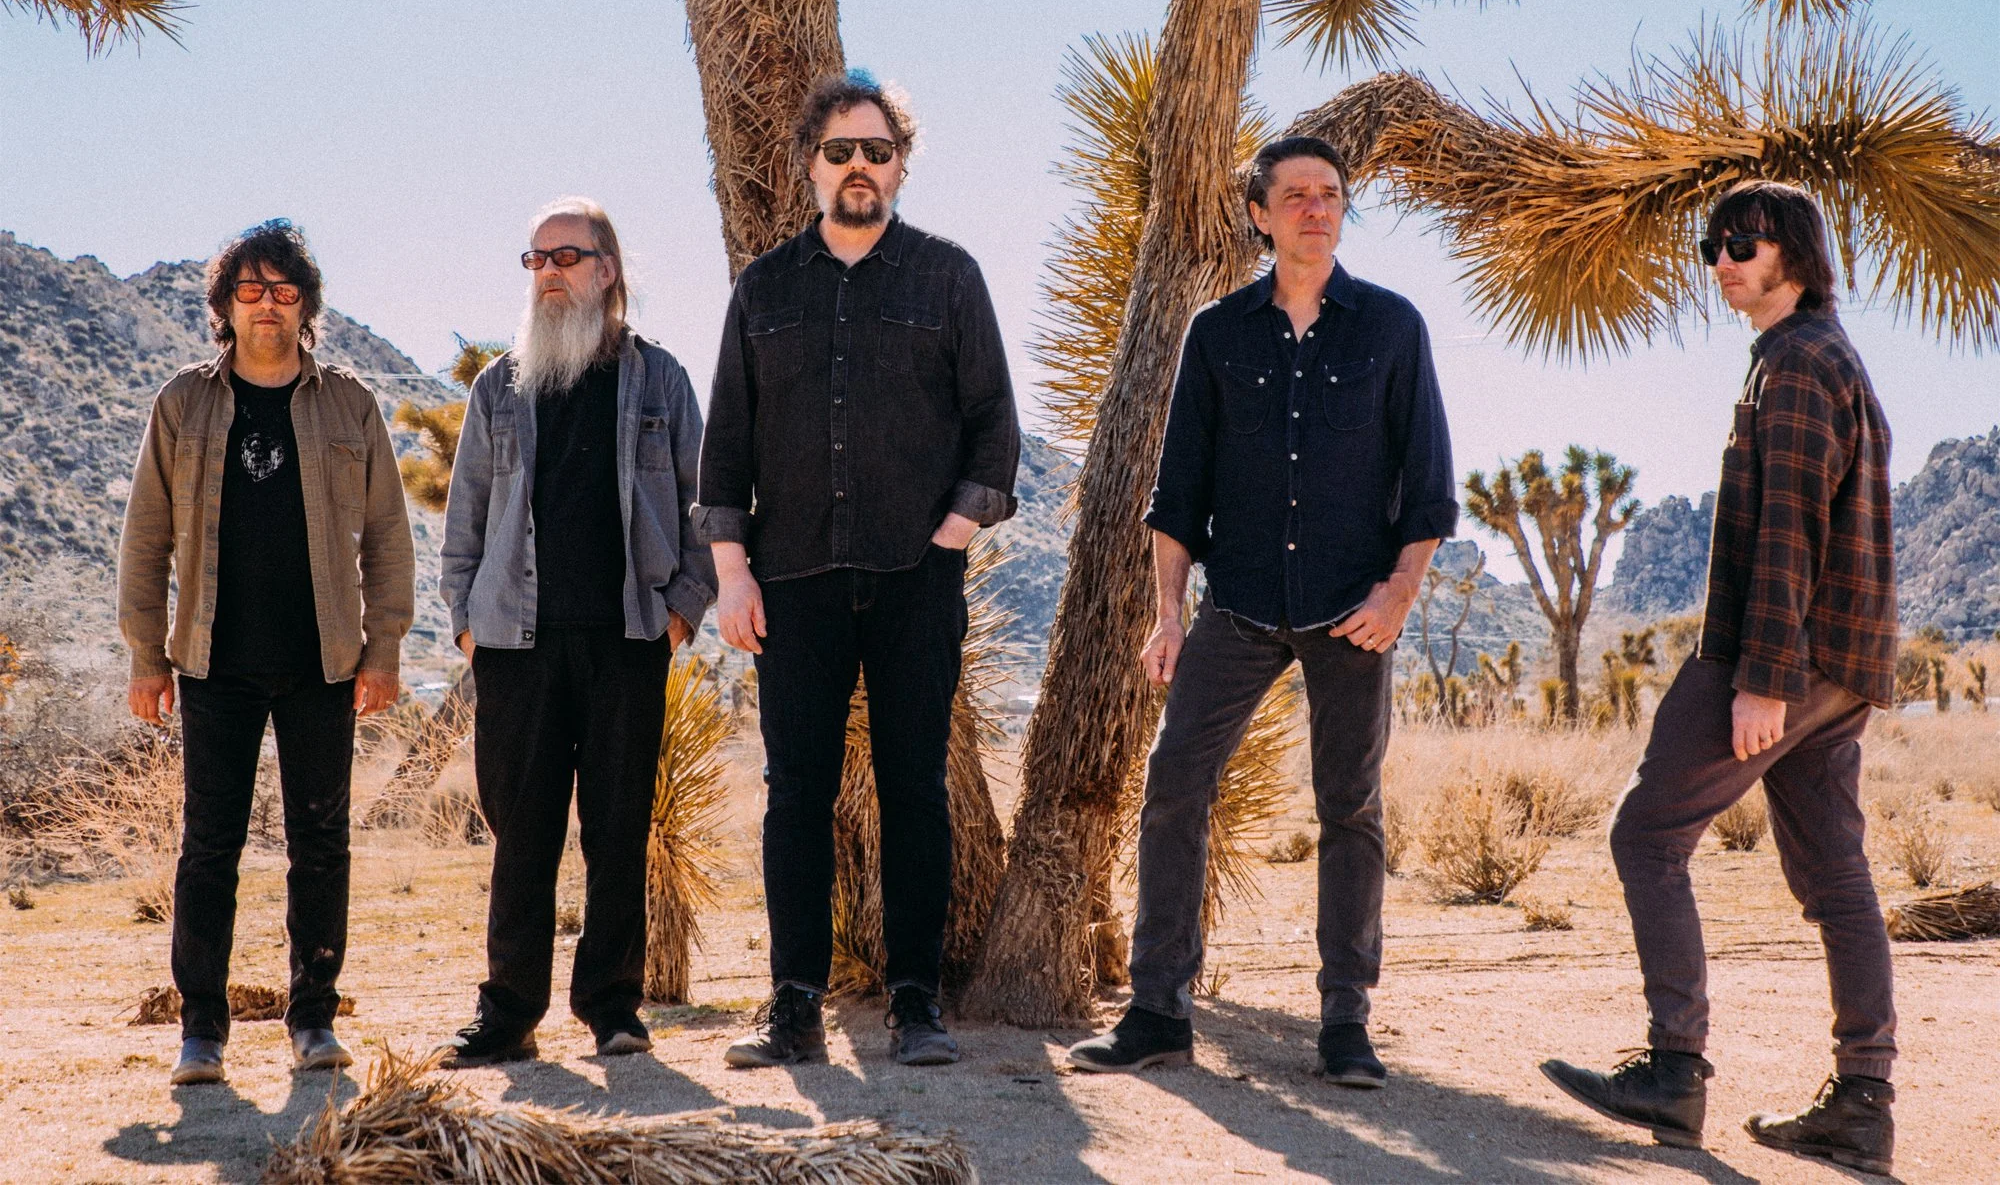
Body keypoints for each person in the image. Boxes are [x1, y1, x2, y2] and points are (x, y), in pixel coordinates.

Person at [1064, 136, 1455, 1085]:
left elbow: (1432, 484)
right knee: (1173, 787)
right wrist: (1168, 613)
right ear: (1260, 215)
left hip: (1350, 611)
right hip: (1235, 605)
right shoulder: (1217, 331)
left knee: (1350, 808)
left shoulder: (1392, 328)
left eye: (1330, 194)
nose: (1316, 209)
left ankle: (1345, 1025)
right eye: (1295, 196)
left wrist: (1399, 593)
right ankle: (1158, 1012)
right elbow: (1178, 488)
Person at [1541, 181, 1899, 1176]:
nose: (1721, 262)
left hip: (1780, 655)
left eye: (1741, 242)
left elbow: (1787, 527)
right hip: (1843, 659)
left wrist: (1759, 679)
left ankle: (1672, 1066)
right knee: (1834, 871)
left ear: (1791, 250)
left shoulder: (1792, 364)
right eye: (1711, 245)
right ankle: (1862, 1100)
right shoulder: (1822, 354)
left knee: (1646, 832)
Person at [699, 71, 1019, 1068]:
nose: (857, 168)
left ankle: (913, 1002)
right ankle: (792, 1006)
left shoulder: (948, 277)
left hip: (915, 575)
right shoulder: (764, 289)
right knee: (794, 788)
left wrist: (949, 540)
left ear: (900, 164)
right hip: (790, 578)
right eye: (839, 151)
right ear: (811, 164)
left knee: (911, 785)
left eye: (875, 151)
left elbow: (994, 431)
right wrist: (731, 573)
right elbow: (726, 449)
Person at [118, 219, 413, 1086]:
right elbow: (145, 539)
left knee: (320, 846)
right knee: (209, 846)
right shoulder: (183, 403)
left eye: (284, 291)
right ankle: (201, 1030)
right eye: (250, 290)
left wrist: (383, 648)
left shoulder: (348, 403)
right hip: (213, 661)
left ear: (305, 306)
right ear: (225, 305)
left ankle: (312, 1021)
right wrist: (147, 656)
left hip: (324, 660)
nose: (267, 306)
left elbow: (389, 537)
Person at [436, 196, 714, 1066]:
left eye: (566, 256)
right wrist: (464, 629)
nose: (548, 273)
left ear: (607, 271)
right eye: (536, 260)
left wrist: (681, 612)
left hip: (628, 637)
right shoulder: (499, 387)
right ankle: (509, 1012)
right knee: (522, 832)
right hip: (515, 643)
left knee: (617, 829)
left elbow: (703, 503)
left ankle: (613, 1007)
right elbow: (467, 519)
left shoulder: (659, 381)